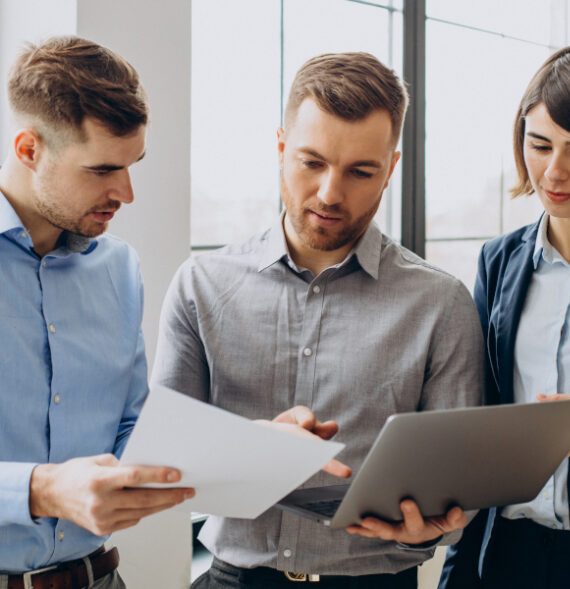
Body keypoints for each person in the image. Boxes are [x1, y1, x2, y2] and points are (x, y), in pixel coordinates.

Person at [153, 52, 484, 588]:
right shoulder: (201, 285)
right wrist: (248, 450)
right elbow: (162, 465)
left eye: (360, 171)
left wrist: (424, 531)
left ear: (391, 169)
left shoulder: (441, 303)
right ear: (281, 147)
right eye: (312, 162)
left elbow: (453, 501)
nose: (331, 193)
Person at [0, 36, 199, 589]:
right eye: (102, 169)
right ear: (29, 149)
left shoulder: (119, 268)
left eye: (133, 165)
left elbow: (132, 427)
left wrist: (239, 447)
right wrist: (41, 489)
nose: (126, 192)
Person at [438, 45, 570, 589]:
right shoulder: (498, 259)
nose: (553, 171)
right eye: (539, 145)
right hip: (505, 554)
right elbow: (483, 410)